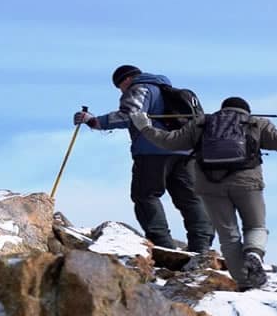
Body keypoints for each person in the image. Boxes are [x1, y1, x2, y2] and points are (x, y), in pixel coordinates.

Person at [130, 97, 277, 290]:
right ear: (245, 111)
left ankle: (245, 282)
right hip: (246, 182)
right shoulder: (255, 123)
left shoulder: (202, 123)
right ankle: (254, 253)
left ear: (222, 109)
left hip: (209, 186)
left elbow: (168, 141)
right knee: (255, 226)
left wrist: (144, 126)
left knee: (229, 237)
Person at [74, 65, 214, 252]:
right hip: (184, 151)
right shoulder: (171, 91)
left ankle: (162, 244)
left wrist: (93, 121)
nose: (122, 91)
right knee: (190, 198)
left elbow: (130, 116)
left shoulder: (140, 88)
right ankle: (201, 245)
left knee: (145, 195)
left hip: (153, 150)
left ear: (126, 80)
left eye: (120, 87)